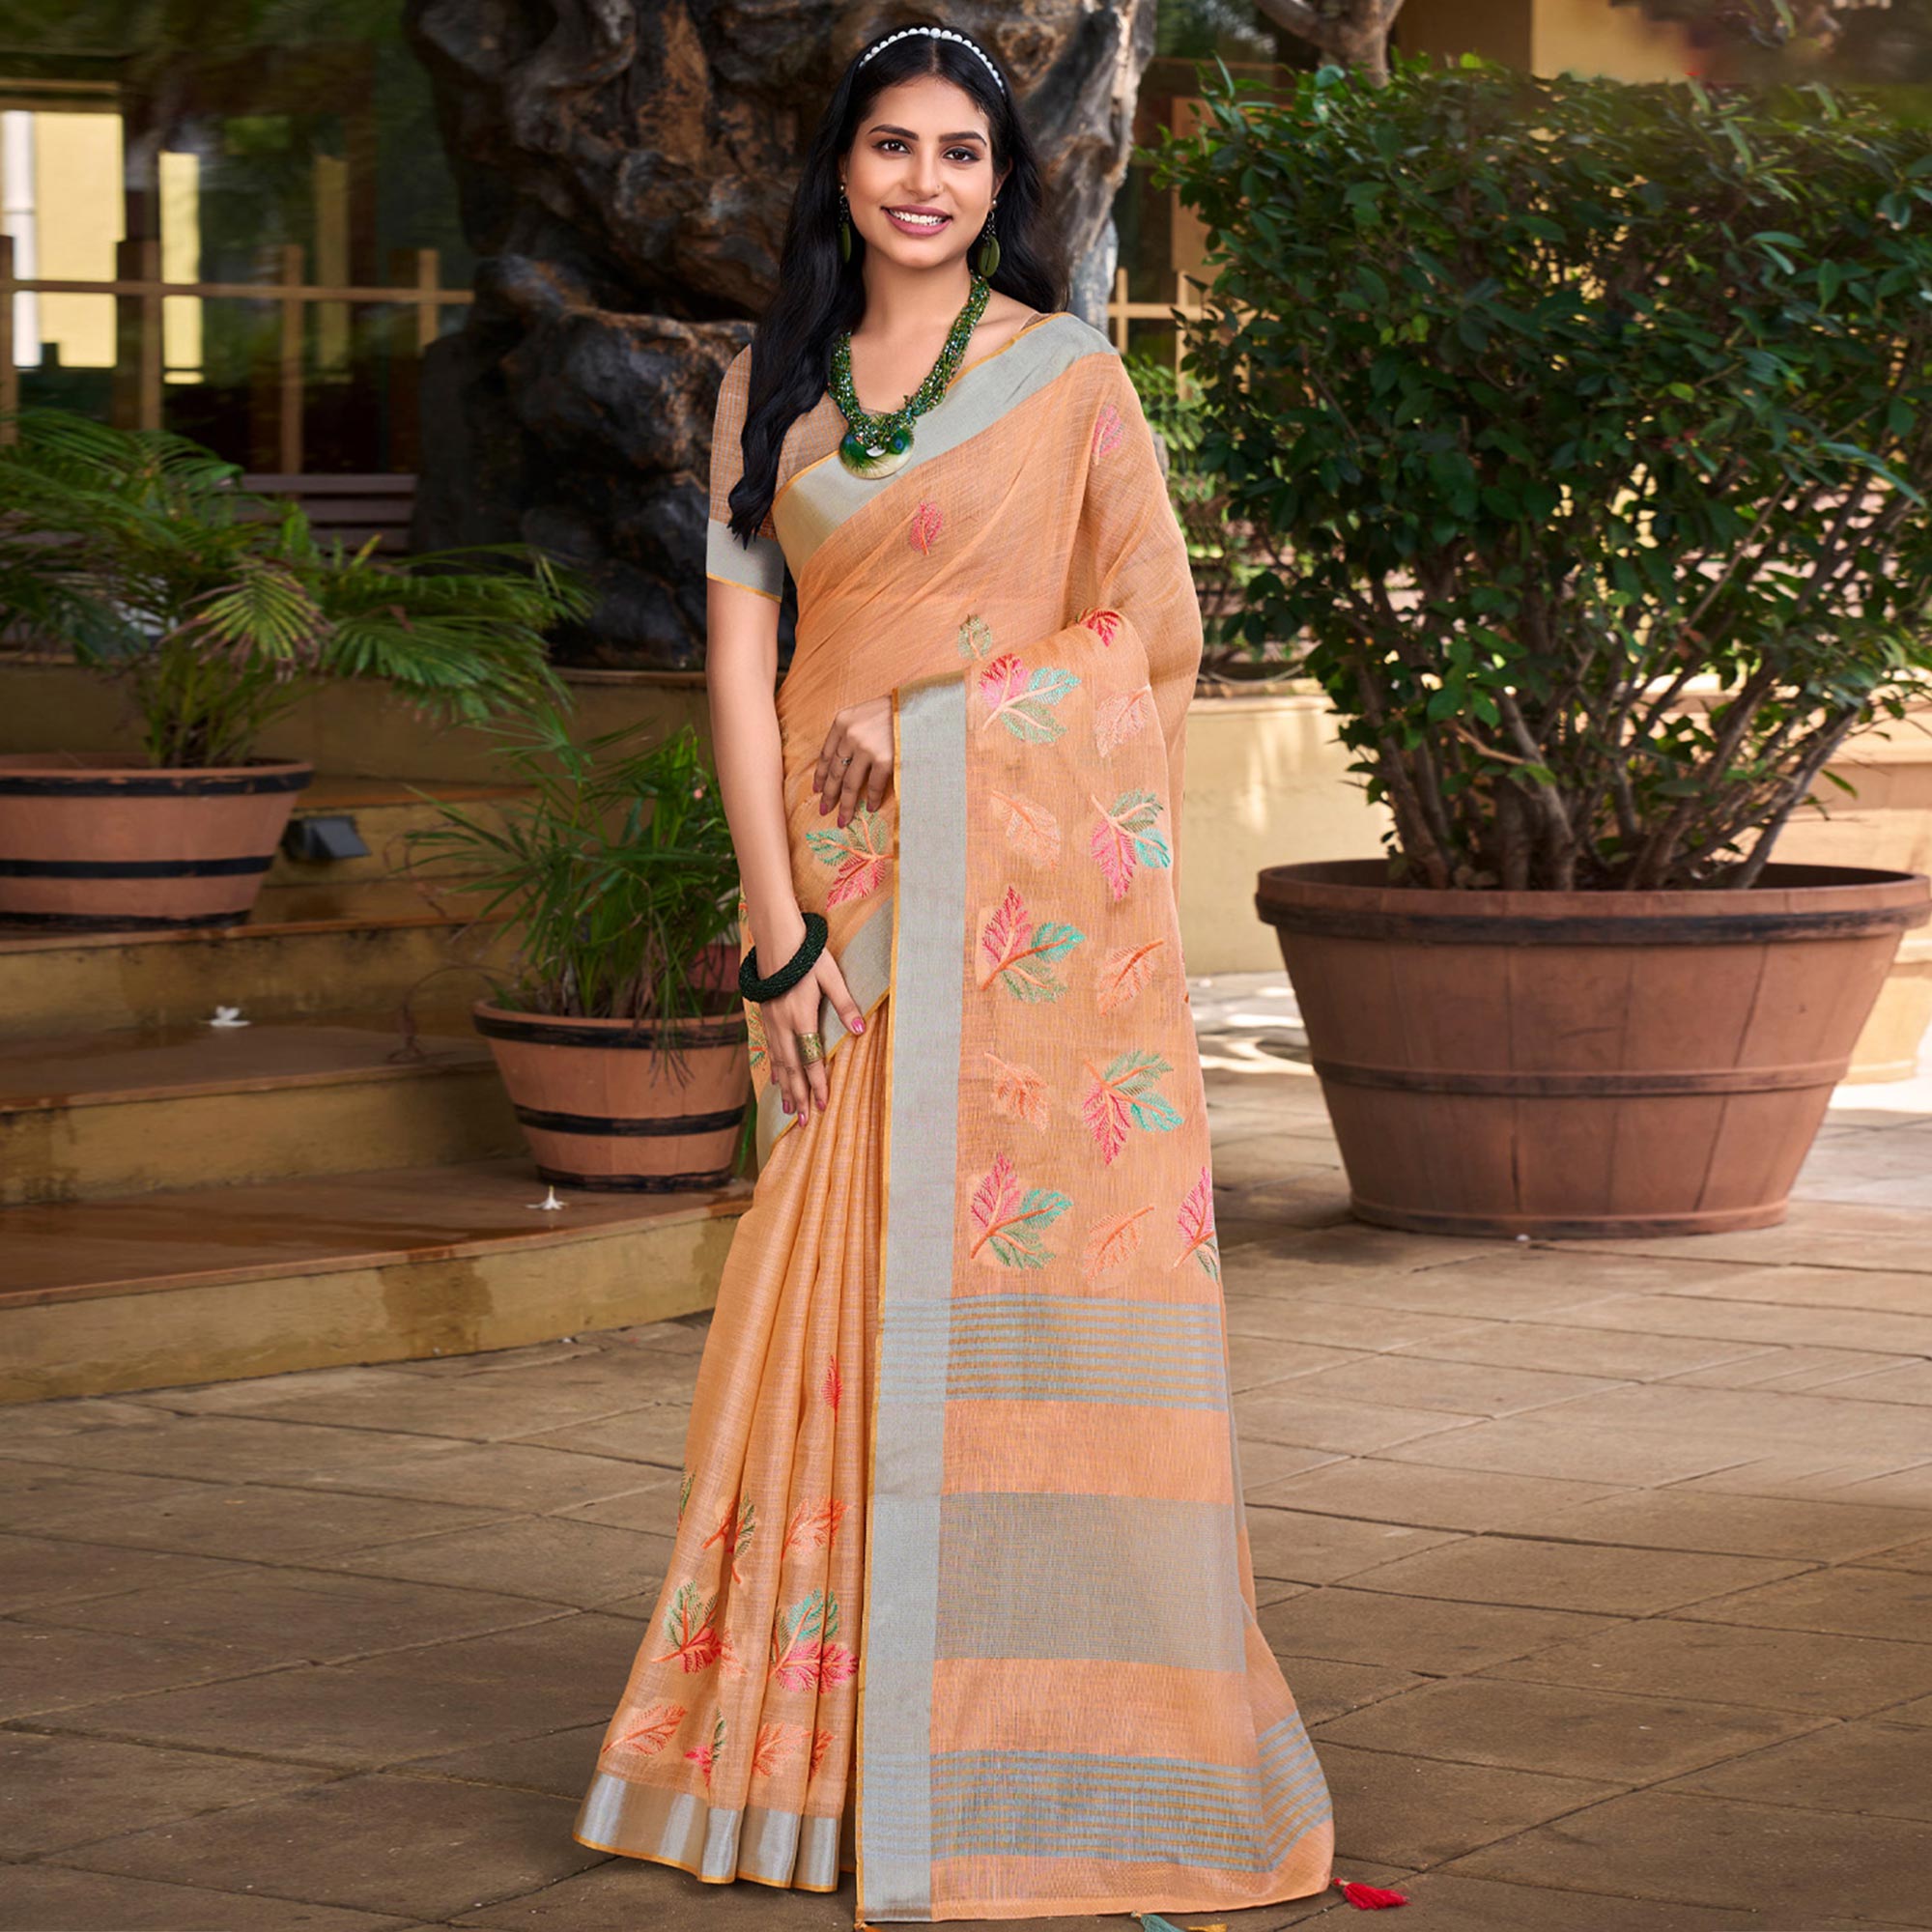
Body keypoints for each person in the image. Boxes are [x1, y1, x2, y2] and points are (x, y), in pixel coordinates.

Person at [572, 19, 1336, 1925]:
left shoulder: (1069, 380)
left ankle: (1023, 1743)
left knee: (1000, 1303)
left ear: (1005, 185)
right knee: (822, 1291)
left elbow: (1149, 639)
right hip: (834, 898)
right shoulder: (773, 385)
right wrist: (775, 933)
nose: (926, 181)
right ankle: (817, 1758)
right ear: (842, 168)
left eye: (963, 153)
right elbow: (736, 672)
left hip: (1000, 882)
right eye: (895, 146)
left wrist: (942, 718)